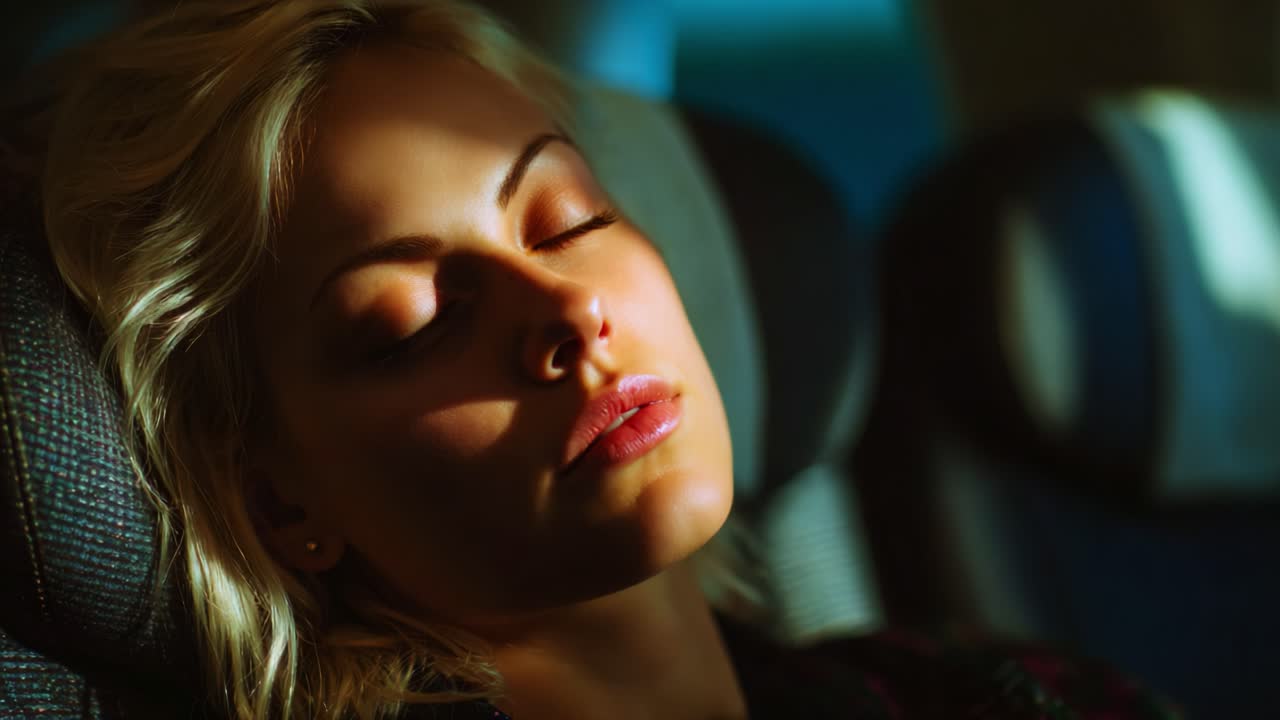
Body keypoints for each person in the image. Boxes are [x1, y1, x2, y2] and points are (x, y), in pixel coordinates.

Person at [24, 1, 1181, 718]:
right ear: (279, 502)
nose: (566, 314)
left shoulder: (971, 682)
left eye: (567, 217)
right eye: (414, 322)